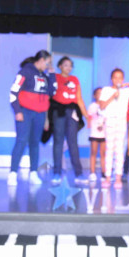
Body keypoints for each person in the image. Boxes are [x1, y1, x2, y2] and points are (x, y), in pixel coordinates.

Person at [8, 50, 56, 186]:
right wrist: (17, 111)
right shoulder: (25, 72)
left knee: (35, 143)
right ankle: (12, 173)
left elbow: (52, 92)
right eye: (48, 63)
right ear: (41, 60)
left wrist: (52, 75)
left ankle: (33, 173)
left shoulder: (45, 76)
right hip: (25, 112)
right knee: (21, 141)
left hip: (40, 114)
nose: (48, 66)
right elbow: (13, 91)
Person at [49, 56, 89, 186]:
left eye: (70, 65)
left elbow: (79, 99)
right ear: (60, 66)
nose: (68, 67)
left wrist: (86, 115)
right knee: (58, 142)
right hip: (59, 111)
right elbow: (49, 95)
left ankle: (79, 173)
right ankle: (57, 173)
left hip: (72, 111)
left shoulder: (74, 79)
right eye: (66, 65)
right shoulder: (55, 77)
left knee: (73, 142)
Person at [99, 68, 129, 189]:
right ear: (111, 79)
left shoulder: (125, 91)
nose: (117, 80)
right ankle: (108, 177)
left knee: (119, 150)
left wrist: (124, 85)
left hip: (121, 121)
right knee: (109, 150)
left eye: (120, 77)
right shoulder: (106, 90)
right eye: (115, 77)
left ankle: (118, 178)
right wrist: (112, 96)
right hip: (110, 121)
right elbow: (102, 106)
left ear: (123, 79)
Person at [87, 87, 106, 183]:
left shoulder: (106, 105)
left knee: (103, 153)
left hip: (104, 134)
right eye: (98, 93)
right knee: (93, 152)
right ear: (94, 96)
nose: (100, 95)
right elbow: (89, 118)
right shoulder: (92, 106)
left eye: (102, 93)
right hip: (94, 133)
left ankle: (104, 173)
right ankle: (92, 172)